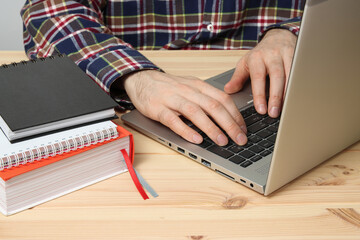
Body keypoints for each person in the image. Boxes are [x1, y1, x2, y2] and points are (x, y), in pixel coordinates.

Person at [21, 0, 304, 146]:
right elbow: (48, 10)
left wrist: (292, 31)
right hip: (136, 101)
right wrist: (136, 78)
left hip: (286, 86)